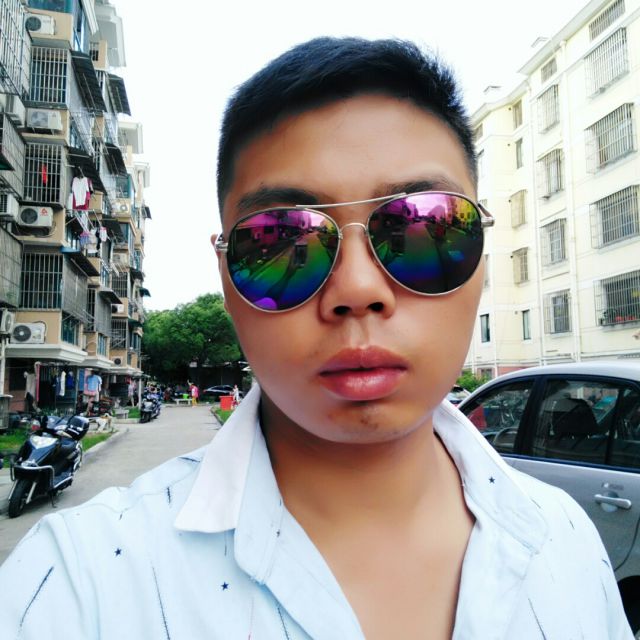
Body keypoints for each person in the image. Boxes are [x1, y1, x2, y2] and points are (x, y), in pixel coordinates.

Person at [0, 37, 632, 639]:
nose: (357, 289)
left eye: (425, 230)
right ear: (226, 281)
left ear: (483, 259)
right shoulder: (75, 587)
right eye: (282, 242)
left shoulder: (568, 544)